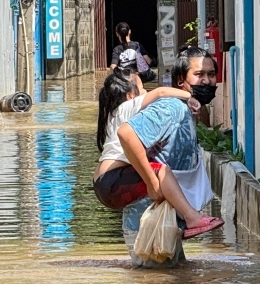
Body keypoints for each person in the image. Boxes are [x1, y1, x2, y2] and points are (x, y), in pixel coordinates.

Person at [95, 64, 223, 240]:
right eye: (141, 89)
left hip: (105, 184)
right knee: (161, 172)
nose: (145, 92)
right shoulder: (128, 107)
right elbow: (160, 93)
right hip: (113, 179)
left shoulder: (114, 114)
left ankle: (183, 220)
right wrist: (190, 96)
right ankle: (192, 217)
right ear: (130, 96)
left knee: (158, 173)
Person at [170, 46, 220, 128]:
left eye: (211, 74)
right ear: (180, 80)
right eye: (199, 74)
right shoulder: (169, 110)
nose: (207, 81)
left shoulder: (201, 109)